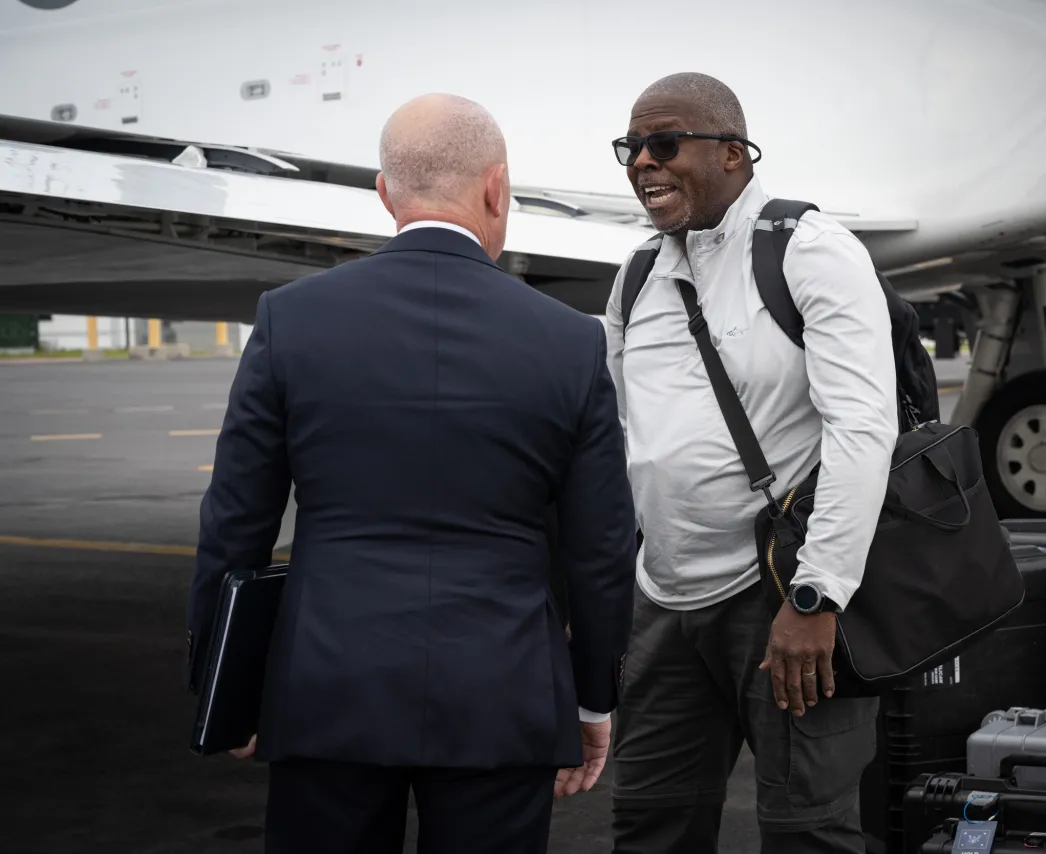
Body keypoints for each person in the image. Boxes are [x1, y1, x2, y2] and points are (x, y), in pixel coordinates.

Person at [186, 93, 636, 854]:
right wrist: (593, 698)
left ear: (384, 193)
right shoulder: (569, 342)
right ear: (498, 188)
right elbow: (600, 550)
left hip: (328, 690)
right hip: (502, 696)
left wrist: (226, 687)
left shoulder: (291, 318)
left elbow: (234, 522)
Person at [603, 73, 899, 853]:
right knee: (650, 829)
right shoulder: (635, 275)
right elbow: (625, 438)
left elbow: (863, 432)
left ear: (733, 152)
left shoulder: (811, 252)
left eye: (663, 144)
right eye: (630, 149)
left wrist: (815, 598)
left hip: (778, 596)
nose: (642, 164)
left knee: (808, 831)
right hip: (661, 604)